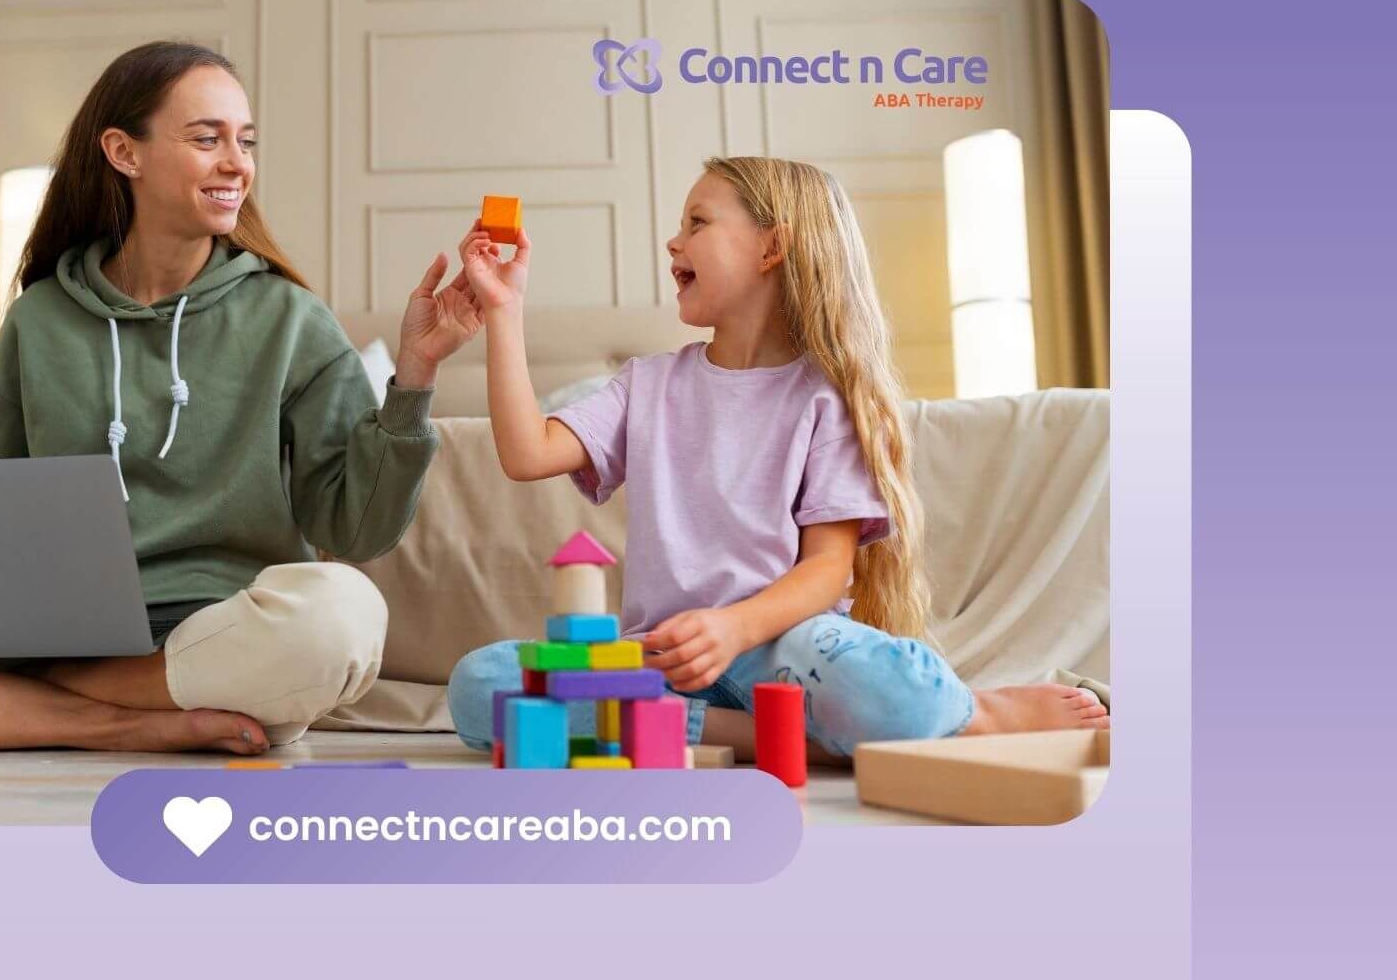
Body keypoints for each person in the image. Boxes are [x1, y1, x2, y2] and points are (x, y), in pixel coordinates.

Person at [0, 42, 485, 756]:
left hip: (219, 636)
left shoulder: (290, 319)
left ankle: (29, 707)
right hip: (51, 637)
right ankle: (121, 722)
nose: (237, 163)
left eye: (245, 141)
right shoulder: (39, 320)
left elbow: (356, 532)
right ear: (124, 152)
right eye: (206, 139)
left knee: (341, 617)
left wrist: (416, 373)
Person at [445, 156, 1108, 761]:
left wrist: (733, 630)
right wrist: (504, 309)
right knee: (481, 685)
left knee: (892, 690)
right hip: (657, 662)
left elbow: (827, 568)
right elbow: (527, 453)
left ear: (772, 247)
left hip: (783, 649)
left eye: (698, 222)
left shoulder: (824, 398)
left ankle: (980, 713)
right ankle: (780, 740)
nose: (673, 242)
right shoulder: (645, 384)